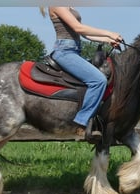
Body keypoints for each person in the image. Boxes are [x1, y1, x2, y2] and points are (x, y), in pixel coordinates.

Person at [40, 7, 123, 143]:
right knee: (98, 80)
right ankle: (80, 124)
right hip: (64, 52)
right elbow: (78, 28)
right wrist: (109, 33)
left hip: (75, 52)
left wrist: (107, 39)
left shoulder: (69, 6)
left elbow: (85, 34)